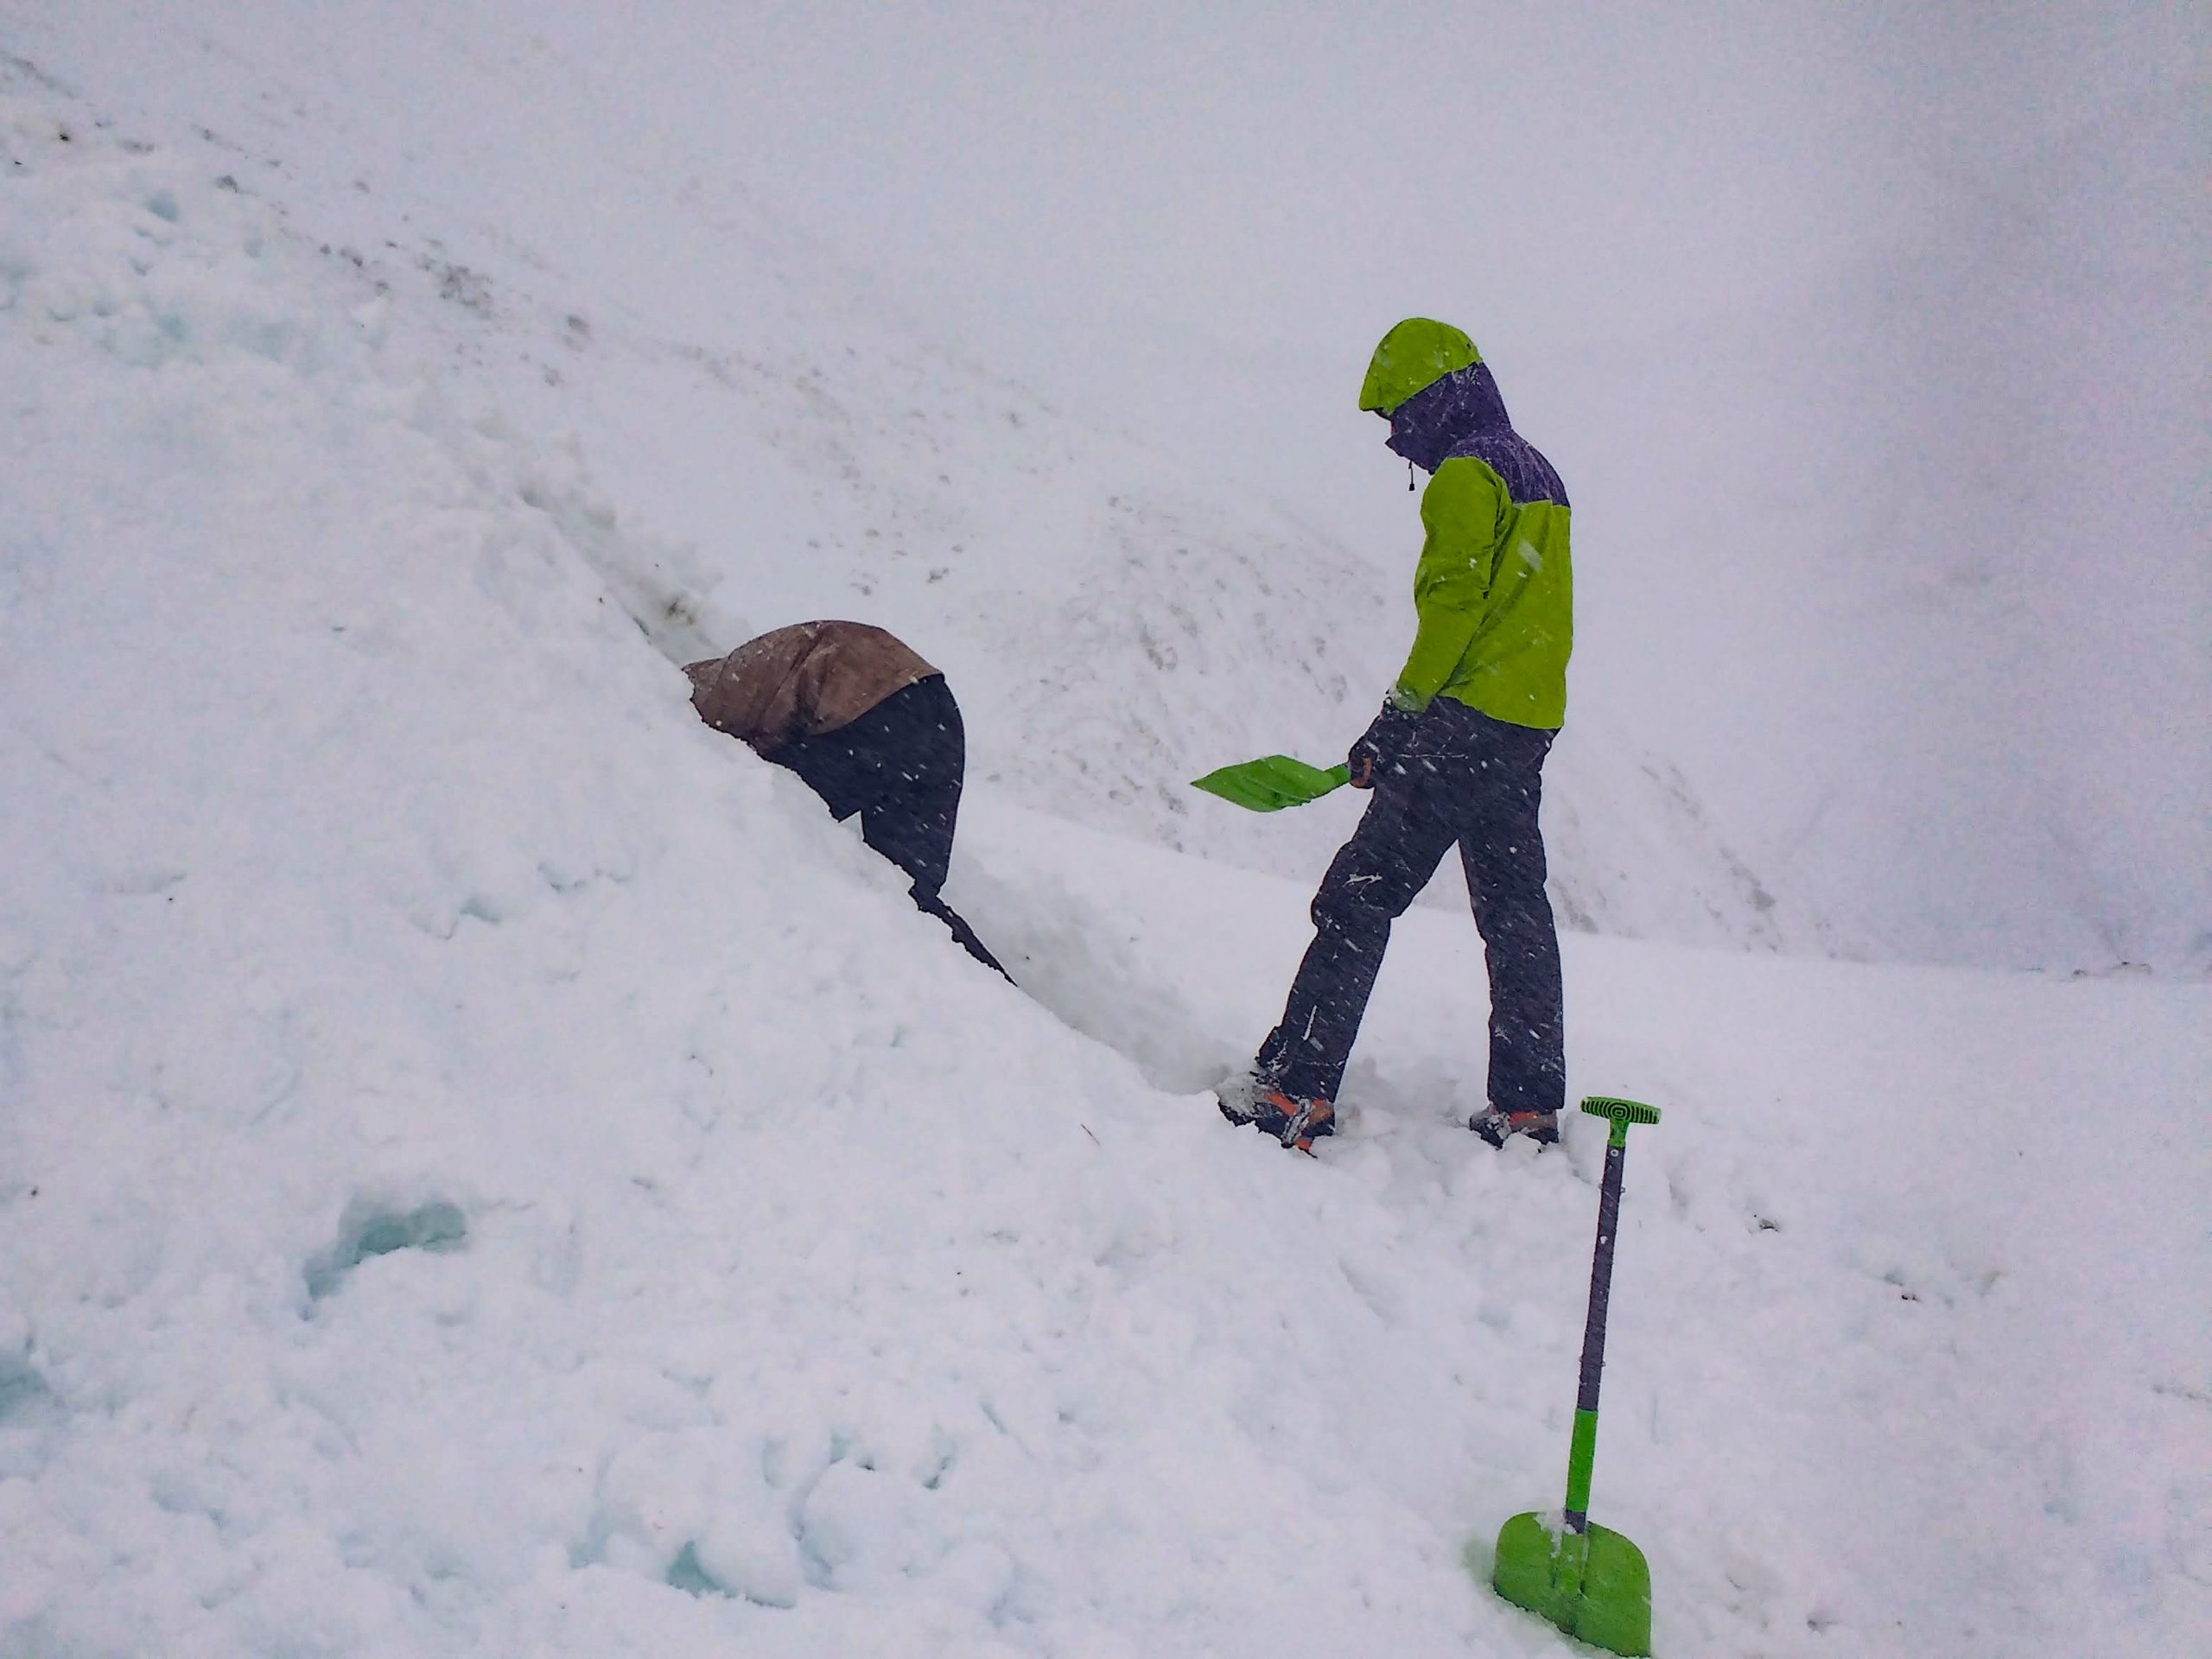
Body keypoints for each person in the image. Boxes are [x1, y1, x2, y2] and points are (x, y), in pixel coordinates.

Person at [1223, 319, 1571, 1152]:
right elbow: (1529, 611)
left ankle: (1294, 1091)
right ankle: (1527, 1107)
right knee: (1515, 912)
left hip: (1459, 723)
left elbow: (1453, 610)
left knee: (1357, 898)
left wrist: (1399, 717)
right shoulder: (1540, 473)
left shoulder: (1464, 474)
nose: (1393, 440)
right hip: (1526, 724)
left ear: (1433, 398)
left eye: (1395, 416)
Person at [685, 621, 1008, 977]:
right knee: (911, 894)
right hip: (937, 712)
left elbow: (751, 772)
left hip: (876, 712)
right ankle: (1000, 997)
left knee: (784, 822)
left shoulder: (700, 700)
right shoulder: (753, 665)